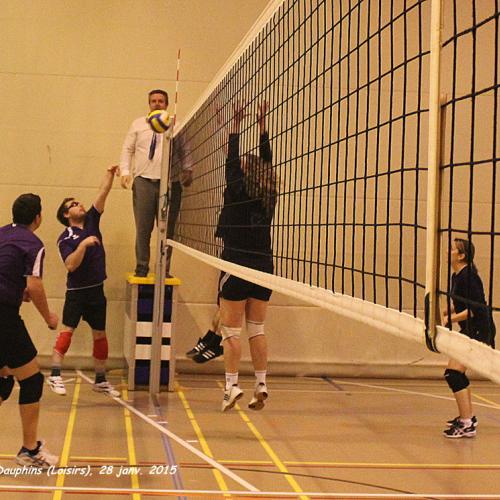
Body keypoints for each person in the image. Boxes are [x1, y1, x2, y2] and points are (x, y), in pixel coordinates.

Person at [216, 100, 277, 412]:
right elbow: (267, 162)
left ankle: (231, 386)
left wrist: (236, 126)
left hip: (236, 262)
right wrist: (262, 126)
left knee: (230, 330)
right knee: (257, 328)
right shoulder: (269, 194)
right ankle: (261, 383)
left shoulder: (237, 191)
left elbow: (231, 161)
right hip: (264, 265)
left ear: (242, 172)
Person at [48, 166, 120, 397]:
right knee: (67, 331)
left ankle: (100, 380)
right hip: (77, 292)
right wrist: (83, 245)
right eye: (73, 204)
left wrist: (109, 173)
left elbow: (102, 193)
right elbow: (70, 265)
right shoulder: (65, 238)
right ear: (66, 215)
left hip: (96, 291)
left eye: (79, 202)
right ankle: (55, 375)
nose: (79, 205)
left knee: (100, 335)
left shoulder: (91, 221)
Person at [0, 193, 59, 468]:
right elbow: (35, 285)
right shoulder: (33, 243)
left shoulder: (2, 234)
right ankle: (30, 450)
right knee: (32, 381)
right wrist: (49, 318)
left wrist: (14, 291)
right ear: (38, 217)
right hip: (3, 315)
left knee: (4, 378)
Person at [119, 89, 193, 277]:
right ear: (149, 104)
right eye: (153, 101)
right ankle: (142, 267)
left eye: (161, 101)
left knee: (167, 230)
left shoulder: (175, 125)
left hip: (169, 183)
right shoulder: (138, 124)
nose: (157, 103)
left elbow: (184, 150)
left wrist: (188, 169)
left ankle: (163, 269)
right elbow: (127, 149)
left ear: (166, 104)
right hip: (144, 181)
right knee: (143, 228)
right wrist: (125, 172)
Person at [442, 238, 496, 438]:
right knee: (454, 374)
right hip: (470, 329)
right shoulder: (457, 276)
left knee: (453, 374)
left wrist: (450, 319)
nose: (447, 251)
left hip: (480, 330)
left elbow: (475, 309)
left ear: (461, 256)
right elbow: (463, 303)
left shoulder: (469, 277)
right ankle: (468, 418)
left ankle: (466, 424)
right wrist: (448, 311)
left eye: (452, 249)